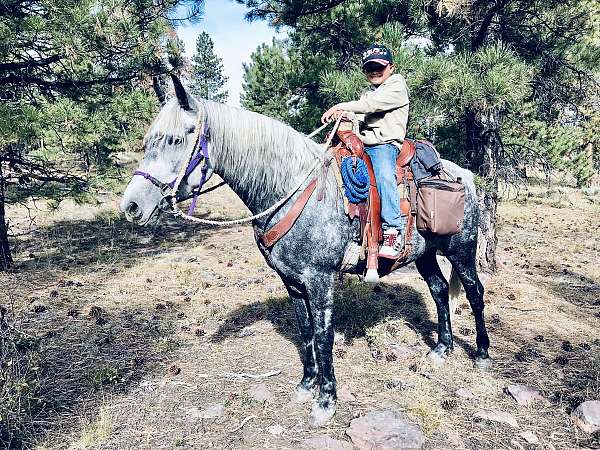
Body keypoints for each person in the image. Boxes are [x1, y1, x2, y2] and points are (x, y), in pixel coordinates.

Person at [321, 44, 410, 258]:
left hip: (384, 145)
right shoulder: (368, 93)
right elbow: (360, 115)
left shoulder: (396, 85)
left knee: (383, 175)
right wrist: (344, 118)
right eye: (370, 67)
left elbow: (371, 106)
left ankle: (393, 231)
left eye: (380, 66)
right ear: (364, 71)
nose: (375, 71)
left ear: (391, 67)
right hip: (364, 144)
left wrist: (340, 106)